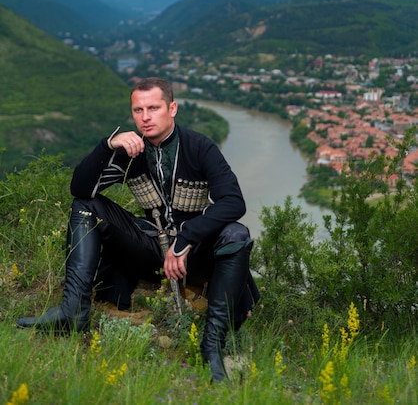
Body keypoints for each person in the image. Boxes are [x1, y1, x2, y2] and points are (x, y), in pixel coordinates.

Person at [17, 77, 259, 382]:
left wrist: (186, 238)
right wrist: (108, 145)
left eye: (154, 108)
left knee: (237, 233)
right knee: (85, 206)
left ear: (172, 108)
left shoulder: (200, 147)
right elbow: (79, 187)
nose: (145, 117)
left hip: (195, 256)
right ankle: (72, 312)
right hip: (149, 249)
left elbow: (234, 202)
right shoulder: (130, 152)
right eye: (138, 110)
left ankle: (212, 346)